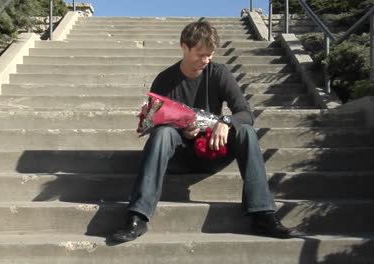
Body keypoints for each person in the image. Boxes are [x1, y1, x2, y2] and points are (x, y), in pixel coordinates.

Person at [111, 21, 296, 242]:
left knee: (245, 130)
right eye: (200, 54)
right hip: (178, 156)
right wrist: (181, 131)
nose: (205, 60)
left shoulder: (219, 73)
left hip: (213, 151)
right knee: (163, 134)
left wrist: (226, 121)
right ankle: (137, 216)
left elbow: (245, 112)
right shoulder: (165, 80)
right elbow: (155, 126)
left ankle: (263, 214)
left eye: (209, 55)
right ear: (184, 47)